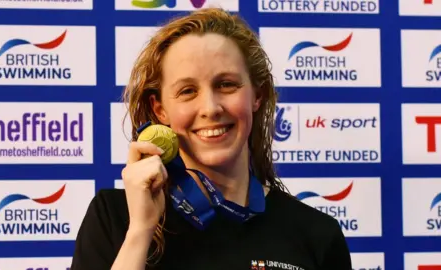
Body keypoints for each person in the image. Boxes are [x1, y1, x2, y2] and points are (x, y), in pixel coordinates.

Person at [70, 7, 352, 270]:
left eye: (226, 84)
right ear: (161, 110)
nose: (210, 108)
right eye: (187, 91)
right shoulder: (115, 217)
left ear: (257, 95)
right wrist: (140, 231)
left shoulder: (316, 233)